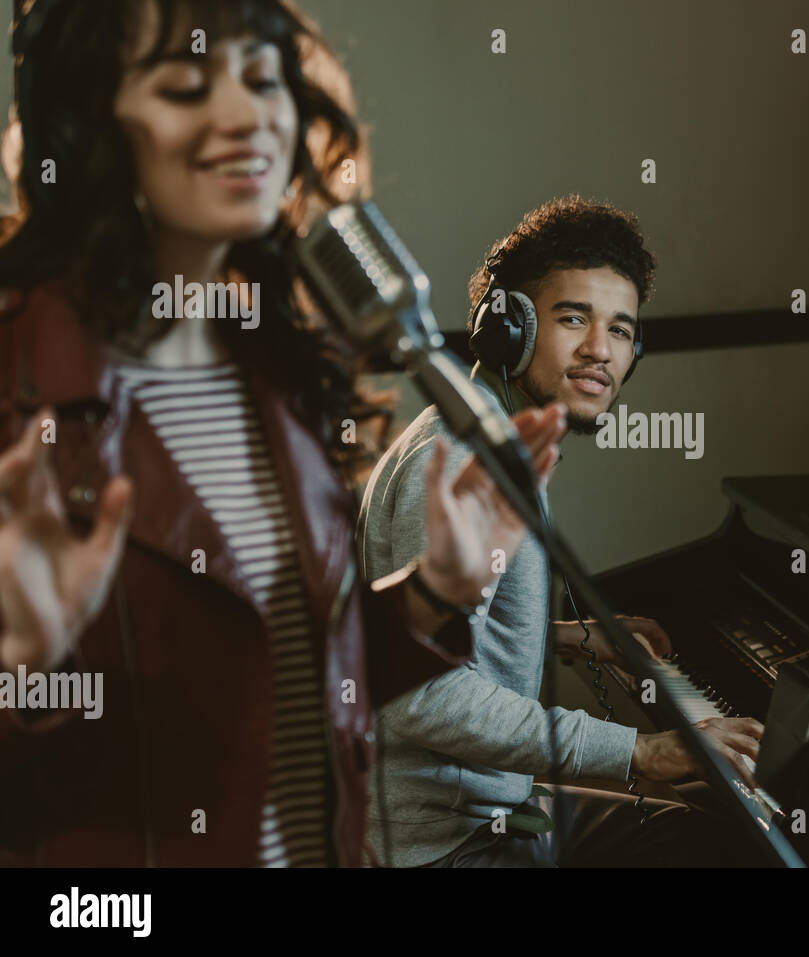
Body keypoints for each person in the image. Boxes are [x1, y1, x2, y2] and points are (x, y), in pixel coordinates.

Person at [0, 0, 564, 867]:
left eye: (265, 80)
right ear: (83, 128)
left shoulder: (273, 364)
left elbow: (286, 677)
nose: (247, 115)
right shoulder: (18, 378)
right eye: (187, 86)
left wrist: (430, 597)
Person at [359, 196, 769, 867]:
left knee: (697, 818)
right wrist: (640, 750)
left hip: (479, 806)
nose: (599, 351)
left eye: (621, 329)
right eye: (573, 318)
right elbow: (422, 692)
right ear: (507, 328)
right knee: (712, 840)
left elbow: (447, 633)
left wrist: (576, 638)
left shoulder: (492, 438)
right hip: (442, 843)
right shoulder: (462, 460)